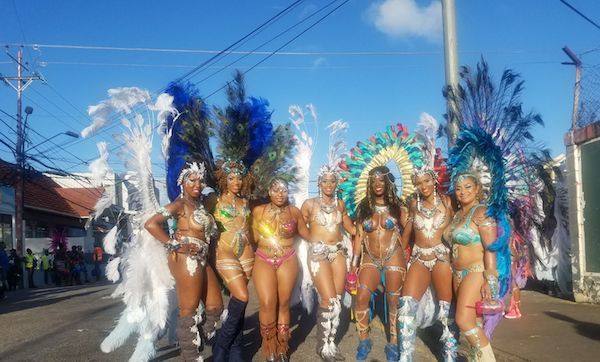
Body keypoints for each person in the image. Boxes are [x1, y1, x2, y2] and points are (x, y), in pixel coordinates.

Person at [144, 161, 219, 361]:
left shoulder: (201, 204)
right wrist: (175, 244)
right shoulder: (179, 204)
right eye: (192, 180)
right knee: (189, 309)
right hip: (186, 259)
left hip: (202, 258)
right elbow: (151, 224)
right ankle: (190, 356)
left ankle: (196, 338)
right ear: (182, 183)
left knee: (216, 307)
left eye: (200, 181)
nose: (197, 184)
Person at [398, 169, 457, 361]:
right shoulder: (414, 206)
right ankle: (406, 356)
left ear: (434, 180)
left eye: (426, 181)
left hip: (441, 257)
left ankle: (450, 355)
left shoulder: (448, 202)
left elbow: (458, 229)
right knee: (406, 307)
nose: (423, 186)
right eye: (419, 183)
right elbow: (406, 236)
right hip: (419, 258)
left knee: (446, 309)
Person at [351, 166, 407, 361]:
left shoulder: (399, 207)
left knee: (394, 301)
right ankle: (364, 340)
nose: (377, 184)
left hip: (393, 255)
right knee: (361, 298)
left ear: (387, 183)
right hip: (370, 258)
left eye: (381, 180)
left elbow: (409, 231)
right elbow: (359, 237)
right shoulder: (363, 207)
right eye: (374, 181)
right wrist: (354, 264)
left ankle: (393, 341)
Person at [252, 177, 311, 362]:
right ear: (269, 192)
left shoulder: (294, 212)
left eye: (284, 190)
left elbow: (307, 234)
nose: (280, 194)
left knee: (284, 303)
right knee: (268, 302)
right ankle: (269, 345)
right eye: (276, 190)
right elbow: (251, 237)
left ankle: (282, 347)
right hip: (263, 257)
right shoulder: (258, 211)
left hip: (287, 258)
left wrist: (329, 230)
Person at [301, 165, 355, 362]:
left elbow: (350, 227)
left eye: (332, 181)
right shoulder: (309, 204)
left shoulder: (340, 205)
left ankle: (331, 343)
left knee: (337, 301)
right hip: (318, 255)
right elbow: (300, 226)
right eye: (325, 181)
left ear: (337, 183)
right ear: (319, 183)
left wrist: (366, 226)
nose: (329, 185)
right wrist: (313, 243)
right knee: (327, 300)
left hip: (338, 252)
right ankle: (321, 345)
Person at [445, 173, 498, 361]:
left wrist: (489, 279)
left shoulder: (482, 212)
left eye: (468, 187)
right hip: (457, 274)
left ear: (477, 189)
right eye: (458, 188)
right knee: (474, 322)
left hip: (476, 272)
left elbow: (491, 248)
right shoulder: (459, 215)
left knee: (463, 320)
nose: (462, 192)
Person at [211, 160, 255, 361]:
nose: (236, 182)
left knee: (239, 303)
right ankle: (221, 347)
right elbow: (192, 212)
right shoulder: (214, 200)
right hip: (225, 251)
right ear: (223, 179)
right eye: (231, 178)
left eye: (239, 177)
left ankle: (236, 350)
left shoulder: (245, 202)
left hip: (246, 253)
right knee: (243, 295)